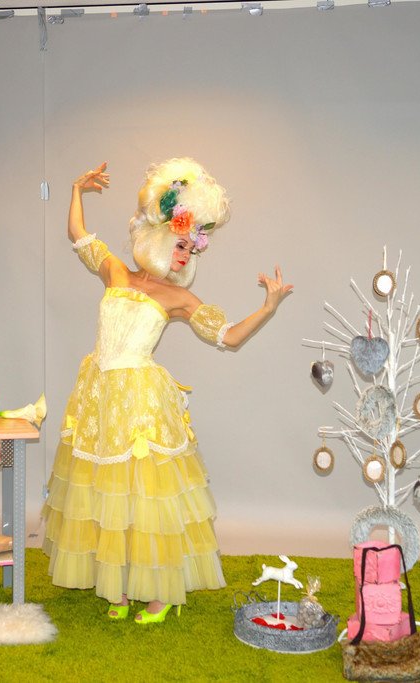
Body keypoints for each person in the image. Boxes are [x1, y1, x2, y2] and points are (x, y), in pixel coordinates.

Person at [41, 158, 293, 624]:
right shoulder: (115, 272)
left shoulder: (178, 298)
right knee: (107, 492)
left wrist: (268, 307)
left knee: (145, 495)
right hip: (100, 397)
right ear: (157, 237)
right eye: (181, 244)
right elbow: (78, 235)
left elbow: (229, 336)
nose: (185, 255)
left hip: (140, 401)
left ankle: (159, 594)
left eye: (191, 249)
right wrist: (76, 188)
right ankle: (118, 587)